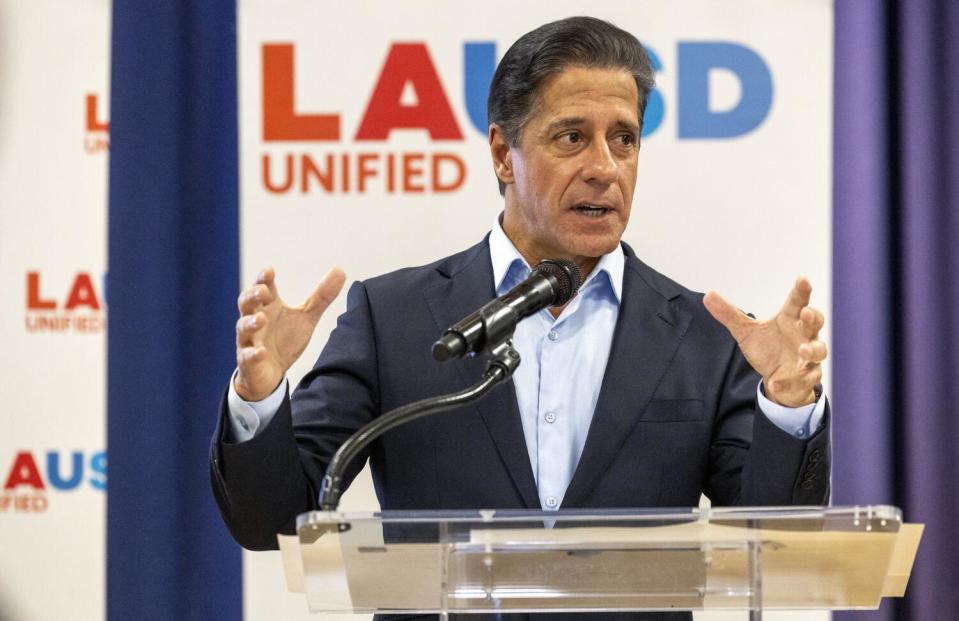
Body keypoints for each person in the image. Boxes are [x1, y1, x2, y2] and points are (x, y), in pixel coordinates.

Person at [210, 15, 830, 603]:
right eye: (571, 137)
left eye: (624, 139)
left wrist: (787, 407)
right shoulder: (392, 317)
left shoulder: (703, 336)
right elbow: (273, 523)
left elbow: (772, 550)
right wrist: (259, 397)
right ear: (504, 155)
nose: (604, 168)